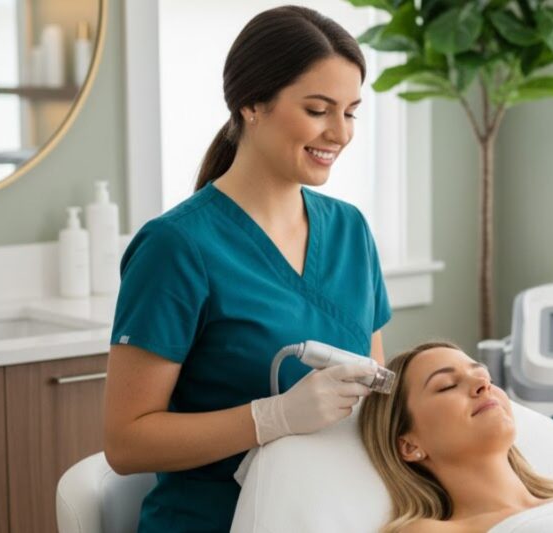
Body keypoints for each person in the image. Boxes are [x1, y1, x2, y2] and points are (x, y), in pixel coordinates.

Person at [102, 6, 390, 531]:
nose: (340, 133)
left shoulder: (350, 231)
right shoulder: (177, 247)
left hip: (333, 513)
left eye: (349, 112)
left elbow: (373, 390)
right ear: (252, 104)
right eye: (318, 109)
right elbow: (126, 442)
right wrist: (271, 418)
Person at [359, 342, 553, 533]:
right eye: (447, 386)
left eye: (485, 376)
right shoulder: (426, 532)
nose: (481, 384)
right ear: (410, 445)